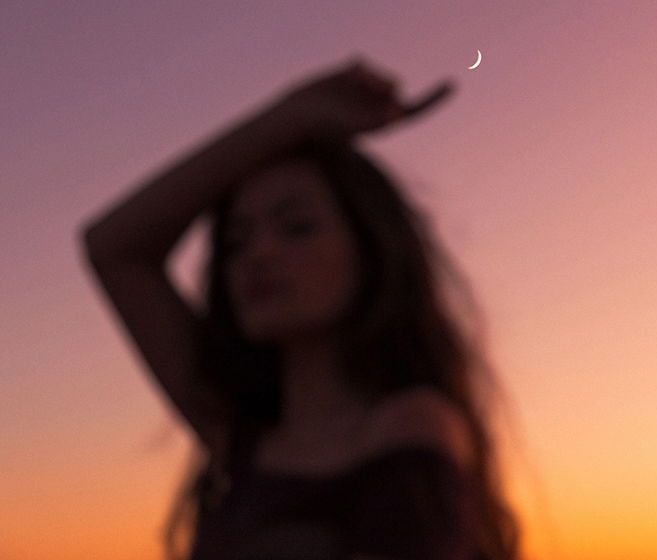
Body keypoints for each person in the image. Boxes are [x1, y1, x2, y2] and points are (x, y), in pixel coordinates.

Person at [80, 55, 522, 560]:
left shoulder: (409, 427)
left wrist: (295, 124)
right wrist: (288, 116)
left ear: (371, 250)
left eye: (297, 227)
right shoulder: (241, 438)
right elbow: (112, 248)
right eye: (237, 242)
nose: (260, 253)